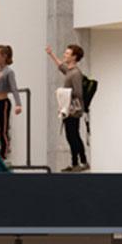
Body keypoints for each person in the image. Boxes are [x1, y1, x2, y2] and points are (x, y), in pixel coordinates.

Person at [46, 43, 89, 172]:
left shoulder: (75, 73)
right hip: (68, 110)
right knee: (71, 136)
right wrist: (51, 54)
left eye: (67, 53)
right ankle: (76, 162)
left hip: (73, 110)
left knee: (73, 136)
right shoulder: (70, 71)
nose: (65, 55)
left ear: (74, 57)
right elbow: (61, 66)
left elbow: (78, 93)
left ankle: (81, 162)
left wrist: (63, 92)